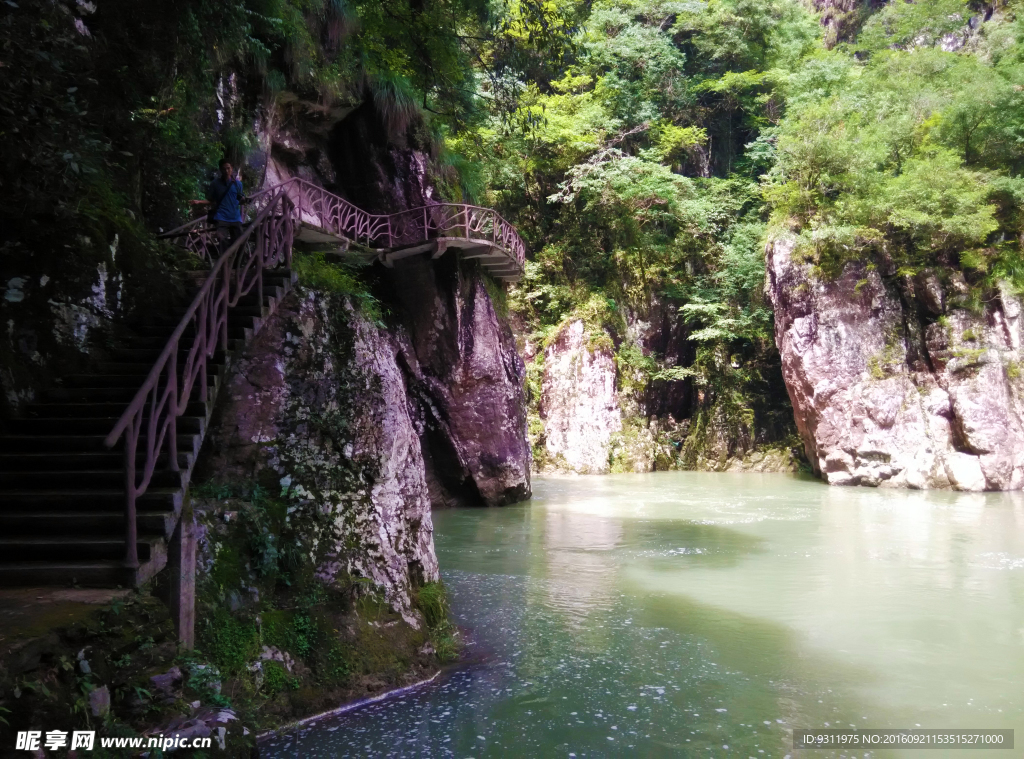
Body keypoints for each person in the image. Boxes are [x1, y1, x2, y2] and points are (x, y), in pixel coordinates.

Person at [194, 158, 247, 252]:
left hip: (235, 217)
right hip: (221, 217)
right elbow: (211, 200)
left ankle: (236, 264)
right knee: (222, 239)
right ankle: (224, 264)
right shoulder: (215, 184)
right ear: (220, 170)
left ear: (232, 168)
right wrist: (199, 202)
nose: (226, 171)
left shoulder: (238, 184)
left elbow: (240, 199)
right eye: (224, 169)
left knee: (241, 241)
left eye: (228, 168)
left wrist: (244, 200)